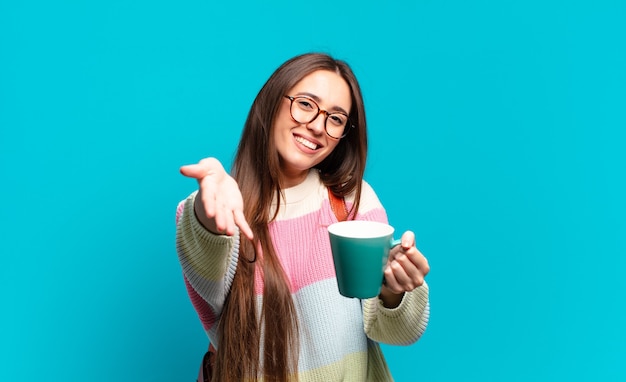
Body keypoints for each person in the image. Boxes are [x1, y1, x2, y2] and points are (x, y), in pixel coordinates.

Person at [175, 52, 430, 382]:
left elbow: (401, 333)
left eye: (336, 119)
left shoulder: (354, 202)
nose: (317, 126)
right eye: (306, 104)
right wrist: (208, 213)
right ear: (272, 102)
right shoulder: (223, 207)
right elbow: (208, 250)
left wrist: (395, 293)